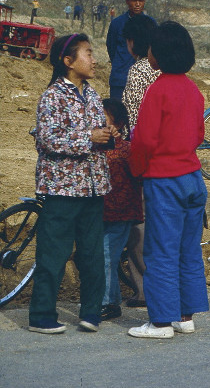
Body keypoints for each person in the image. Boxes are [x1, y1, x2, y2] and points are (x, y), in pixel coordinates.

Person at [28, 33, 117, 334]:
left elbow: (94, 135)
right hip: (62, 189)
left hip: (92, 187)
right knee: (53, 253)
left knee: (92, 253)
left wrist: (107, 135)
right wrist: (89, 138)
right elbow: (47, 139)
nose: (94, 60)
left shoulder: (92, 95)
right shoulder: (52, 97)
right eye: (88, 54)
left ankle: (91, 312)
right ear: (68, 61)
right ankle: (41, 315)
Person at [127, 21, 209, 338]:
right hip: (192, 178)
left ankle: (160, 322)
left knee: (160, 251)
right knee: (189, 250)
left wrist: (136, 170)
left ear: (158, 54)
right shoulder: (193, 89)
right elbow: (199, 134)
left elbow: (144, 140)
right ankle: (185, 317)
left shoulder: (157, 89)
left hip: (164, 179)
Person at [120, 13, 159, 308]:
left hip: (143, 157)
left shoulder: (138, 71)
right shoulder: (166, 70)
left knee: (139, 224)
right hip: (168, 161)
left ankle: (144, 289)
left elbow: (132, 118)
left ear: (133, 42)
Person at [100, 98, 143, 321]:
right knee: (105, 256)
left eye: (103, 119)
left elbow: (140, 174)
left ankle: (109, 303)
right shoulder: (94, 148)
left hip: (121, 214)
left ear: (117, 125)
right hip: (100, 213)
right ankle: (107, 300)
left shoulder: (126, 149)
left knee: (107, 256)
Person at [106, 0, 157, 101]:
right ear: (127, 1)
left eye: (141, 0)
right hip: (121, 79)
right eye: (134, 0)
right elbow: (111, 47)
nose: (138, 4)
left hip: (146, 79)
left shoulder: (151, 23)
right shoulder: (117, 23)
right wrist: (121, 63)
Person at [122, 14, 160, 129]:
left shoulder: (138, 70)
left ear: (131, 41)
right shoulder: (163, 65)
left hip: (146, 135)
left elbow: (133, 114)